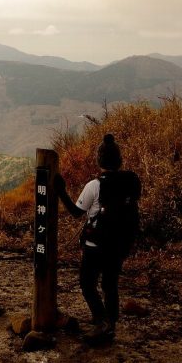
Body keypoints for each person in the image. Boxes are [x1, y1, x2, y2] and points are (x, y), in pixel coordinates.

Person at [54, 134, 141, 343]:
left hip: (96, 246)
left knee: (87, 283)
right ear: (119, 160)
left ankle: (102, 322)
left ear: (99, 160)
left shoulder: (94, 185)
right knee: (110, 284)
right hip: (120, 245)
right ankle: (110, 324)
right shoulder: (131, 182)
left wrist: (61, 191)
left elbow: (76, 212)